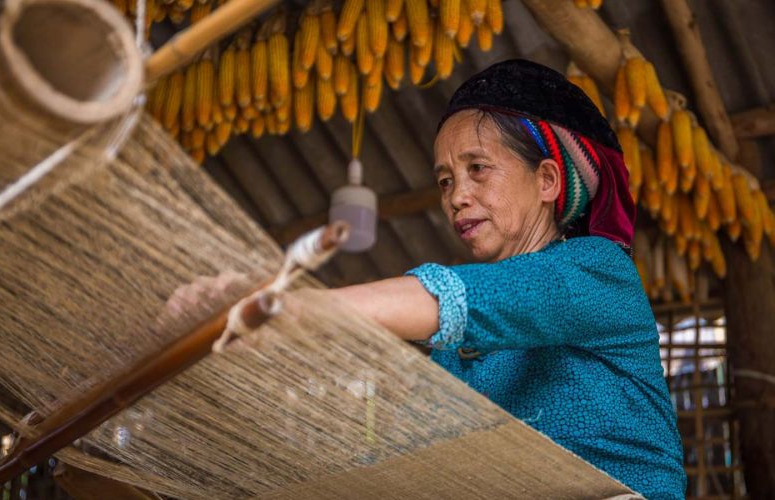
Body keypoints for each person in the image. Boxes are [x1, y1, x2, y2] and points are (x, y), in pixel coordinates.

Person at [178, 60, 686, 499]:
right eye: (445, 181)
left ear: (547, 180)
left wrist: (284, 307)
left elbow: (471, 299)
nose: (456, 197)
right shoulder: (455, 352)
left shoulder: (598, 270)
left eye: (478, 169)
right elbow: (415, 459)